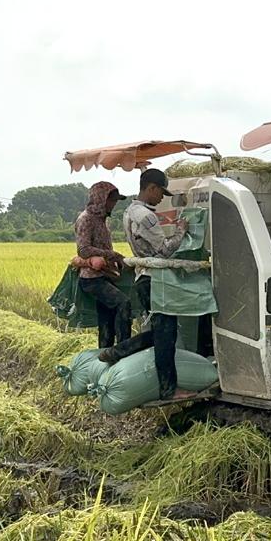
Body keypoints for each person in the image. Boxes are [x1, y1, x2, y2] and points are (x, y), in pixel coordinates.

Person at [101, 168, 188, 399]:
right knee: (166, 334)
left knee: (160, 331)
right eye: (161, 193)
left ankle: (118, 350)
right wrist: (181, 232)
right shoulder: (146, 216)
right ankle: (169, 390)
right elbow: (164, 250)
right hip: (155, 280)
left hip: (142, 278)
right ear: (151, 188)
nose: (161, 198)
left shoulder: (129, 212)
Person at [74, 181, 128, 349]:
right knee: (123, 303)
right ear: (100, 199)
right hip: (92, 278)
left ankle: (105, 351)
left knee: (107, 318)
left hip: (105, 275)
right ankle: (124, 349)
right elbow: (83, 250)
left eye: (115, 201)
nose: (113, 204)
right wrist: (113, 255)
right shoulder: (86, 219)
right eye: (111, 200)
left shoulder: (102, 220)